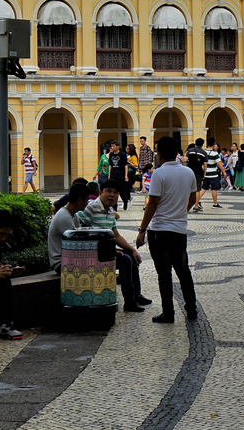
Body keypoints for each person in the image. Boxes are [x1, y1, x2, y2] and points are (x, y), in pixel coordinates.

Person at [137, 136, 200, 323]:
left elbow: (153, 202)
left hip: (159, 232)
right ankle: (191, 310)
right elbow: (192, 198)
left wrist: (142, 229)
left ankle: (168, 312)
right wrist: (180, 213)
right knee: (183, 271)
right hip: (179, 231)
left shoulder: (159, 174)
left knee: (163, 274)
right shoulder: (188, 172)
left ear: (160, 153)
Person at [82, 179, 150, 313]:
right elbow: (79, 228)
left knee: (131, 255)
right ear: (101, 192)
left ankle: (136, 295)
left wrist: (132, 249)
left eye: (115, 192)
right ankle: (129, 303)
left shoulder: (110, 211)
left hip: (106, 251)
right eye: (108, 191)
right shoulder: (91, 208)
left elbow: (116, 236)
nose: (112, 195)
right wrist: (112, 251)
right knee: (125, 261)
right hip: (94, 254)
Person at [47, 181, 92, 272]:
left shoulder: (73, 215)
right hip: (61, 263)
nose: (87, 203)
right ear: (79, 201)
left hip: (68, 260)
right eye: (87, 200)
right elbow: (77, 246)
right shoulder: (64, 217)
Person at [185, 138, 209, 212]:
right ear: (202, 144)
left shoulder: (190, 150)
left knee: (188, 189)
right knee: (197, 190)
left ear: (195, 143)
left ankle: (187, 206)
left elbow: (185, 160)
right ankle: (196, 206)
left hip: (189, 171)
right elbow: (205, 165)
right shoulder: (204, 153)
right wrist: (204, 174)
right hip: (198, 172)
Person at [201, 138, 222, 207]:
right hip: (213, 174)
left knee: (204, 189)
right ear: (213, 144)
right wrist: (223, 171)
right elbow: (219, 163)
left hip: (206, 173)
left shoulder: (203, 152)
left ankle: (196, 201)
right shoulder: (214, 153)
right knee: (214, 189)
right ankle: (215, 204)